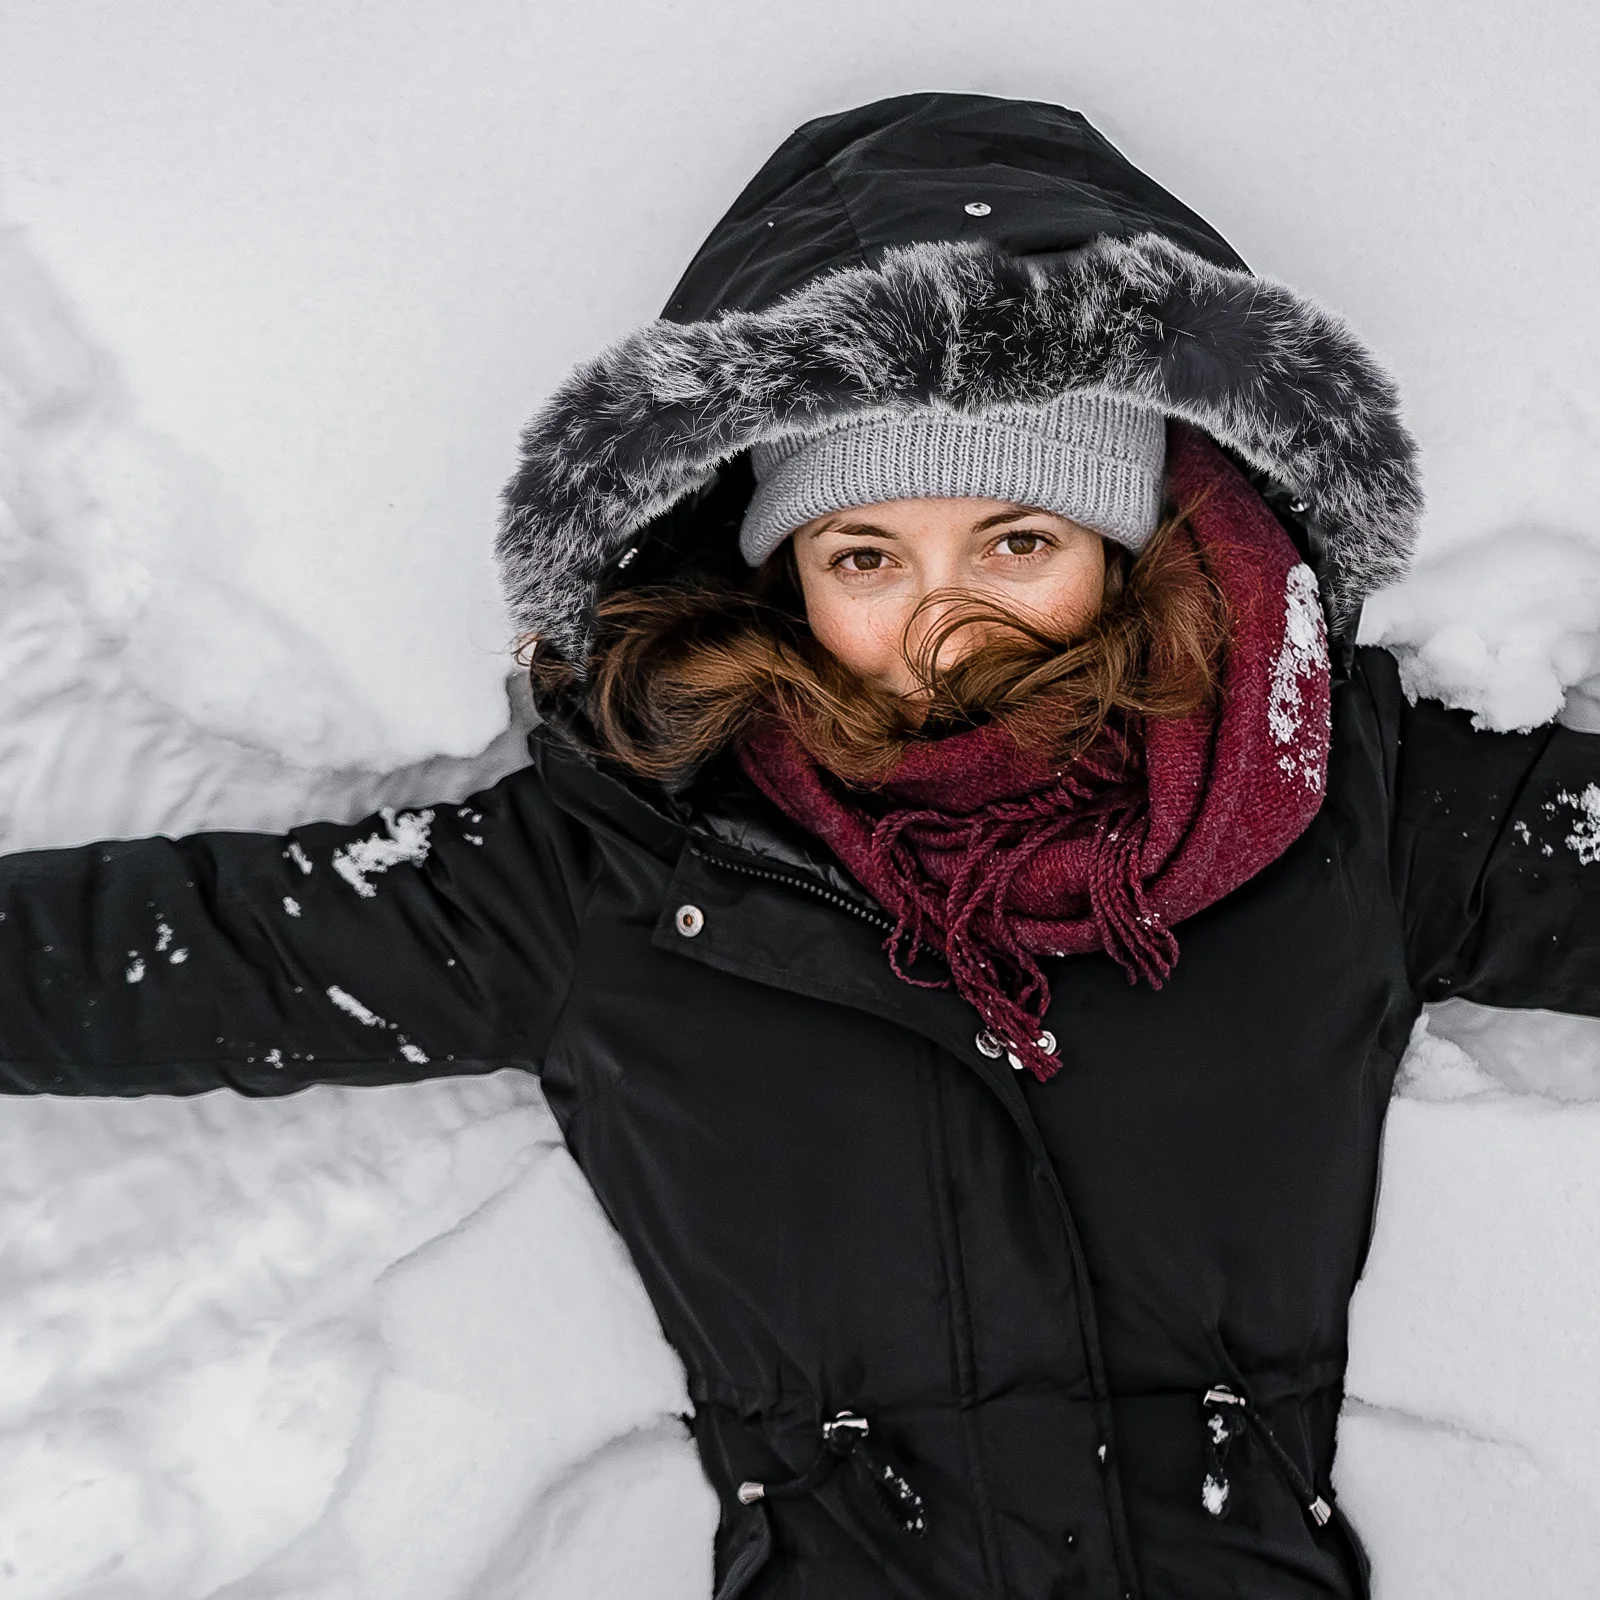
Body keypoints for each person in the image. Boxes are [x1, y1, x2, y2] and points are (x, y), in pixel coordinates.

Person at [0, 90, 1594, 1600]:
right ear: (780, 571)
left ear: (1124, 545)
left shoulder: (1332, 800)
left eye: (1019, 539)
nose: (945, 622)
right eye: (864, 552)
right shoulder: (625, 864)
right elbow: (212, 951)